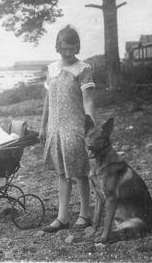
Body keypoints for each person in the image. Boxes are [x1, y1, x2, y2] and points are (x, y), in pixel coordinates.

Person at [39, 25, 96, 233]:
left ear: (77, 47)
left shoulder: (83, 68)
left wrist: (91, 127)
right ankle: (62, 217)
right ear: (58, 47)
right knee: (62, 172)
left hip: (75, 126)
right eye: (65, 48)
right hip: (55, 127)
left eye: (72, 48)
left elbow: (88, 100)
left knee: (79, 171)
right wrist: (43, 125)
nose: (69, 53)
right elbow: (47, 100)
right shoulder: (52, 68)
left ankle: (85, 214)